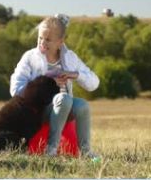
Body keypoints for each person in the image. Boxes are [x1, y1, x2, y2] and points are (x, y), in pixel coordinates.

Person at [10, 14, 101, 161]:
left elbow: (94, 83)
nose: (42, 42)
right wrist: (47, 81)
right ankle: (51, 150)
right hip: (39, 112)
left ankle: (86, 152)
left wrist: (75, 75)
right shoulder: (30, 57)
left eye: (48, 39)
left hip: (64, 109)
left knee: (83, 105)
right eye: (40, 38)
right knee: (63, 98)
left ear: (60, 42)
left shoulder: (70, 57)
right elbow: (15, 90)